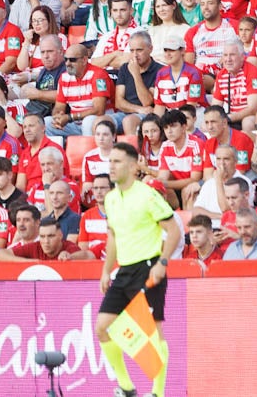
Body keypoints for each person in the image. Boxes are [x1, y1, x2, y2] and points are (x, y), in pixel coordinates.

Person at [96, 141, 178, 397]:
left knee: (152, 330)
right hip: (124, 270)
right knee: (102, 326)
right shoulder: (110, 198)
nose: (111, 166)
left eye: (117, 162)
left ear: (133, 167)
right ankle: (127, 387)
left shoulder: (147, 194)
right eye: (110, 161)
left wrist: (162, 263)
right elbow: (112, 237)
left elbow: (173, 230)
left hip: (148, 266)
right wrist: (106, 270)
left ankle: (158, 392)